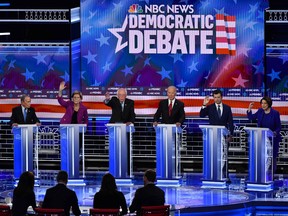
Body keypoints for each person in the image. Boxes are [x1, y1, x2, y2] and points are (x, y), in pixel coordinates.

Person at [247, 96, 281, 173]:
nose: (263, 105)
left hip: (273, 139)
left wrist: (274, 133)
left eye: (265, 103)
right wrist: (249, 108)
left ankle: (271, 174)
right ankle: (261, 173)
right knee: (261, 157)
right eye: (262, 103)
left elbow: (279, 127)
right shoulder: (260, 111)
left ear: (269, 104)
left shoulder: (275, 113)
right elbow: (251, 118)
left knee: (272, 157)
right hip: (261, 139)